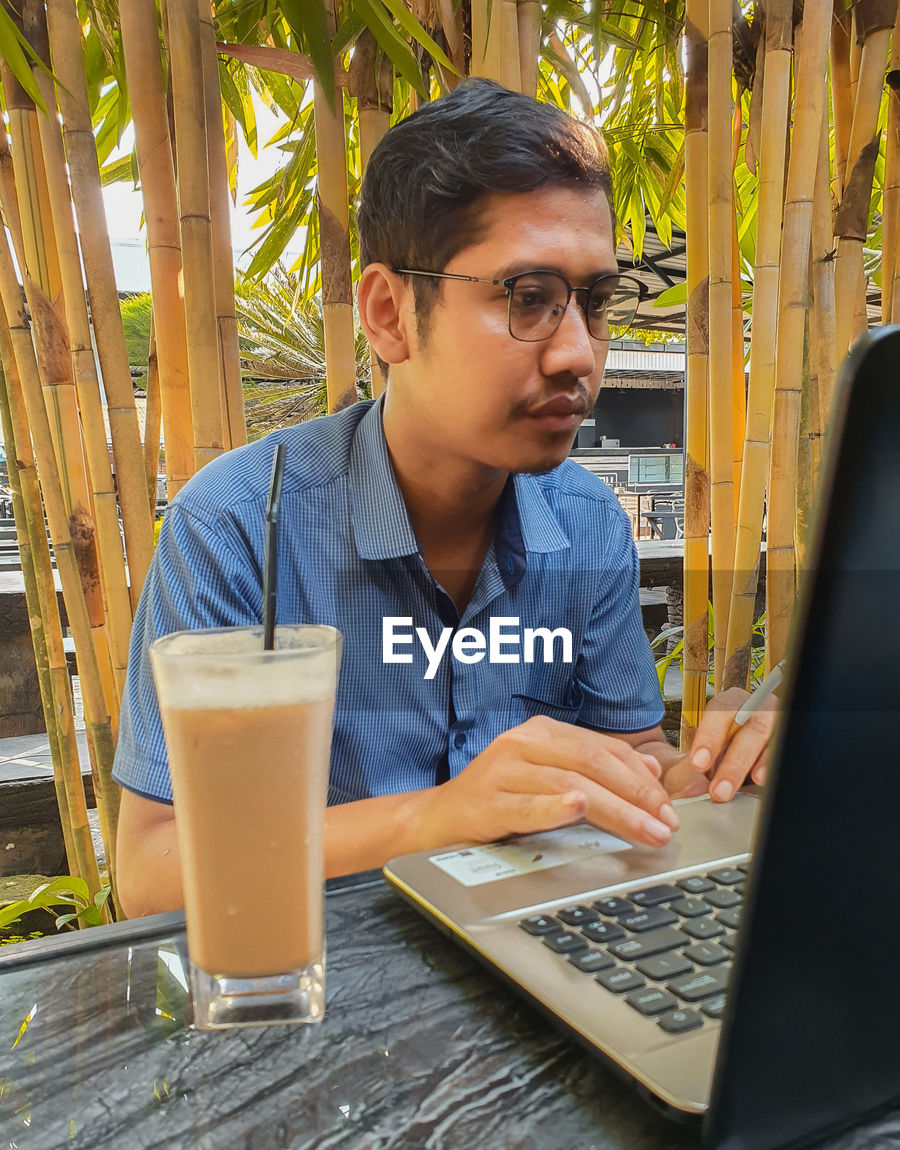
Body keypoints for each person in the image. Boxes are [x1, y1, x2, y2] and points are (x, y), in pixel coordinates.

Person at [114, 79, 775, 918]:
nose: (578, 352)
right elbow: (150, 868)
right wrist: (439, 816)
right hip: (320, 976)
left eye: (595, 302)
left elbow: (631, 765)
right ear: (390, 314)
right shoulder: (243, 524)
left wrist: (721, 767)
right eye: (527, 298)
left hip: (536, 964)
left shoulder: (585, 521)